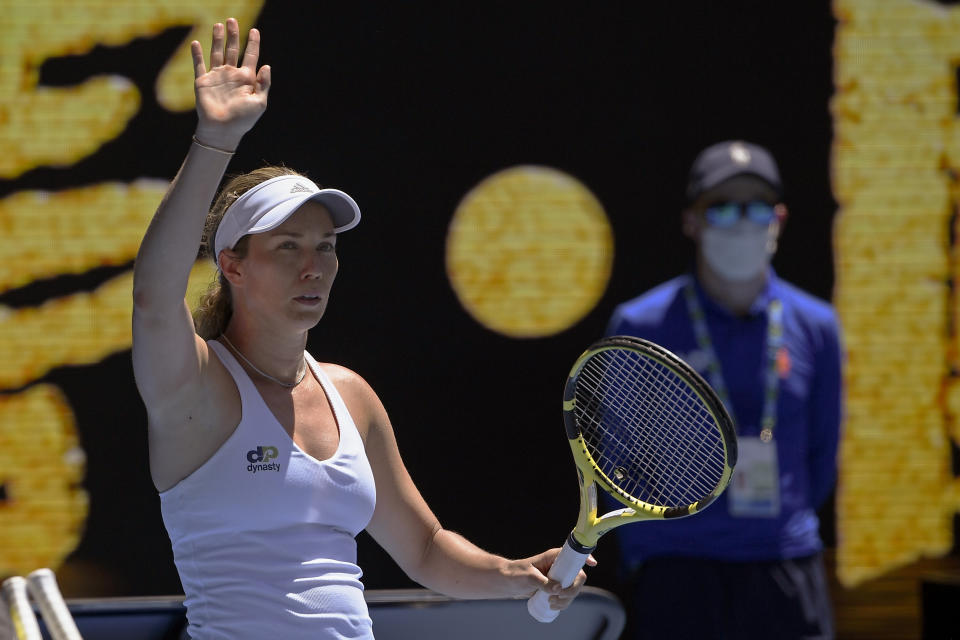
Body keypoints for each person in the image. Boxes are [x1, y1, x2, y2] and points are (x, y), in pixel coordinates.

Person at [131, 18, 593, 639]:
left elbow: (426, 550)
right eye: (288, 247)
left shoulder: (351, 395)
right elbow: (155, 298)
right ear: (232, 265)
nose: (313, 265)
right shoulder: (198, 386)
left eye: (325, 246)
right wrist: (214, 140)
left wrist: (511, 573)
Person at [605, 141, 841, 639]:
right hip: (677, 572)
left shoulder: (818, 325)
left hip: (784, 568)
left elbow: (822, 458)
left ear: (778, 217)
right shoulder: (639, 323)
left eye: (756, 207)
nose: (741, 221)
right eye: (722, 207)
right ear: (691, 220)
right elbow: (616, 458)